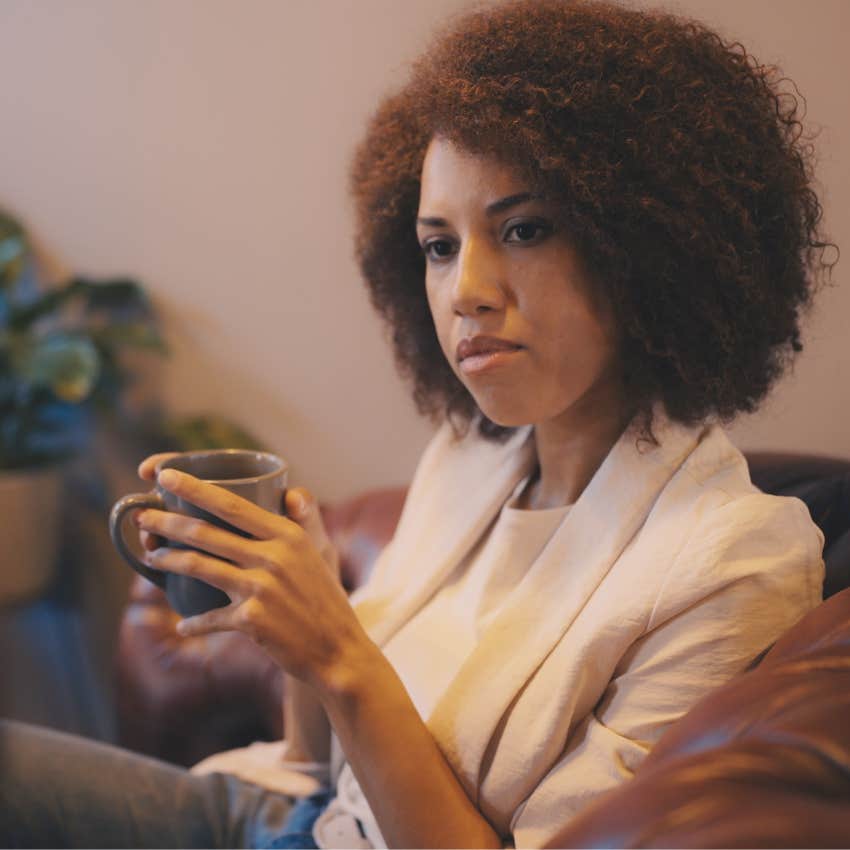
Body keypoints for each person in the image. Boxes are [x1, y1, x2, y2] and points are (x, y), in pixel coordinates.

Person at [0, 0, 835, 847]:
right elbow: (316, 768)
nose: (466, 288)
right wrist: (309, 620)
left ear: (651, 245)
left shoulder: (735, 563)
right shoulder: (472, 455)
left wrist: (338, 650)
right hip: (286, 821)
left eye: (524, 229)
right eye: (439, 245)